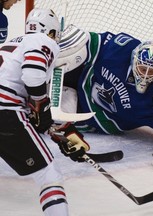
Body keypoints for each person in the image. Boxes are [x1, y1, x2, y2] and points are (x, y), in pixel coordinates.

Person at [0, 8, 90, 215]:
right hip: (5, 112)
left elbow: (31, 105)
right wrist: (42, 104)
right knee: (49, 175)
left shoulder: (12, 43)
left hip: (6, 110)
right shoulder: (43, 41)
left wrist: (61, 131)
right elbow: (32, 77)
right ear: (50, 31)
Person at [55, 24, 153, 139]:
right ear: (134, 60)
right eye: (143, 68)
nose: (144, 75)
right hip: (84, 79)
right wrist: (61, 48)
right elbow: (90, 40)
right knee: (63, 61)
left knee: (56, 113)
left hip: (98, 116)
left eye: (151, 71)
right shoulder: (121, 49)